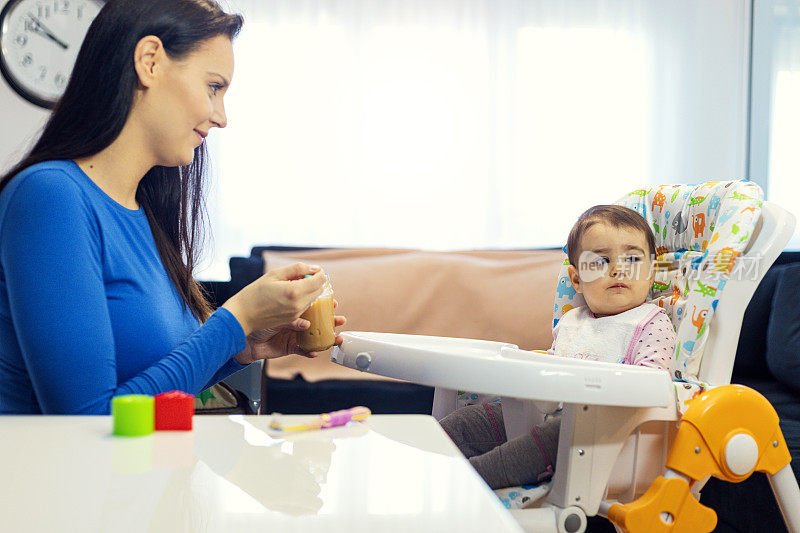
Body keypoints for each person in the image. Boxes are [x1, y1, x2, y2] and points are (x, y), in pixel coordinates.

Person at [0, 0, 345, 414]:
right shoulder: (50, 198)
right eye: (214, 87)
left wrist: (244, 345)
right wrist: (234, 320)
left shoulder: (143, 213)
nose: (221, 117)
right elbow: (87, 421)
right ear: (150, 62)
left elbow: (144, 389)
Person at [440, 205, 675, 489]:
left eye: (633, 258)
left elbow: (652, 387)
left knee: (559, 433)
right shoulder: (571, 321)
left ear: (651, 273)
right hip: (543, 414)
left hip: (602, 437)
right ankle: (423, 465)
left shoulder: (650, 323)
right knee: (464, 422)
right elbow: (550, 369)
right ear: (576, 279)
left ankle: (465, 479)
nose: (618, 269)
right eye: (600, 261)